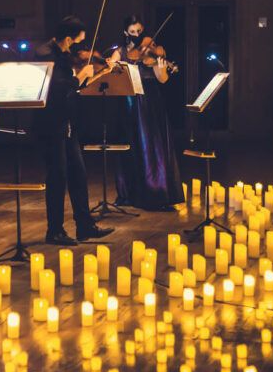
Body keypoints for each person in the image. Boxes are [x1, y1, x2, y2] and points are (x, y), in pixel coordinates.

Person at [34, 16, 114, 245]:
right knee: (57, 176)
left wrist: (98, 74)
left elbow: (75, 87)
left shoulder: (62, 55)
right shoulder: (45, 54)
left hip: (67, 122)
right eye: (77, 42)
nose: (78, 47)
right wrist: (80, 75)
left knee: (78, 174)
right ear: (68, 38)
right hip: (49, 124)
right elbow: (57, 88)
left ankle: (85, 226)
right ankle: (55, 231)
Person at [107, 14, 184, 211]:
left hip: (150, 101)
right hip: (128, 101)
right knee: (129, 146)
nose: (137, 35)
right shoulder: (120, 51)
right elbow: (110, 72)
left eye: (139, 31)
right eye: (132, 32)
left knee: (152, 146)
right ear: (126, 33)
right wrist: (111, 66)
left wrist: (161, 67)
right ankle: (128, 192)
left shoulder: (154, 49)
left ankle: (157, 192)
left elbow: (163, 79)